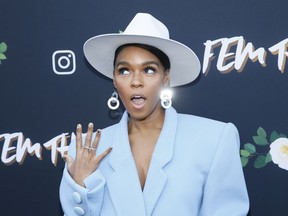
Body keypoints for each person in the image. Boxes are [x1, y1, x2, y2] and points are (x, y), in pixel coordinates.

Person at [59, 13, 249, 216]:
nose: (136, 81)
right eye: (124, 71)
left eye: (149, 70)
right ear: (114, 80)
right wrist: (79, 185)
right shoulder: (88, 148)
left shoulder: (214, 138)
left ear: (166, 77)